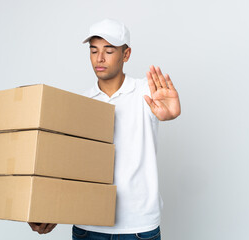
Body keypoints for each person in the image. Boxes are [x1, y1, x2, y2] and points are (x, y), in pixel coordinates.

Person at [28, 18, 181, 240]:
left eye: (109, 51)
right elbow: (70, 164)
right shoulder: (80, 102)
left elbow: (164, 109)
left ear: (126, 55)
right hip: (88, 227)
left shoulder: (147, 93)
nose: (99, 58)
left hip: (137, 227)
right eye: (94, 51)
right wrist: (51, 208)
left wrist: (170, 114)